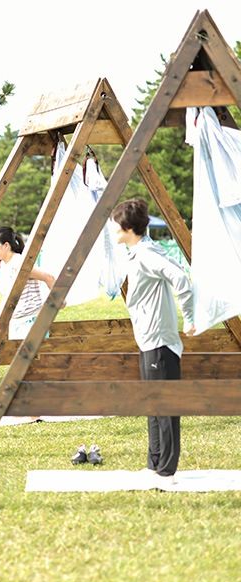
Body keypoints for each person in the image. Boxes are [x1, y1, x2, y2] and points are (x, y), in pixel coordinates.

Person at [110, 199, 194, 483]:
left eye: (116, 226)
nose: (113, 230)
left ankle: (167, 471)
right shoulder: (135, 253)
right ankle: (154, 464)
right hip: (148, 338)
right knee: (152, 404)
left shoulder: (146, 254)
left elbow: (180, 278)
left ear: (128, 228)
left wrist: (190, 318)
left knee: (165, 407)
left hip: (160, 339)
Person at [0, 226, 56, 340]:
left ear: (6, 246)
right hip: (17, 321)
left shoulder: (18, 263)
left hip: (31, 322)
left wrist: (58, 300)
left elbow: (48, 278)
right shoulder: (4, 263)